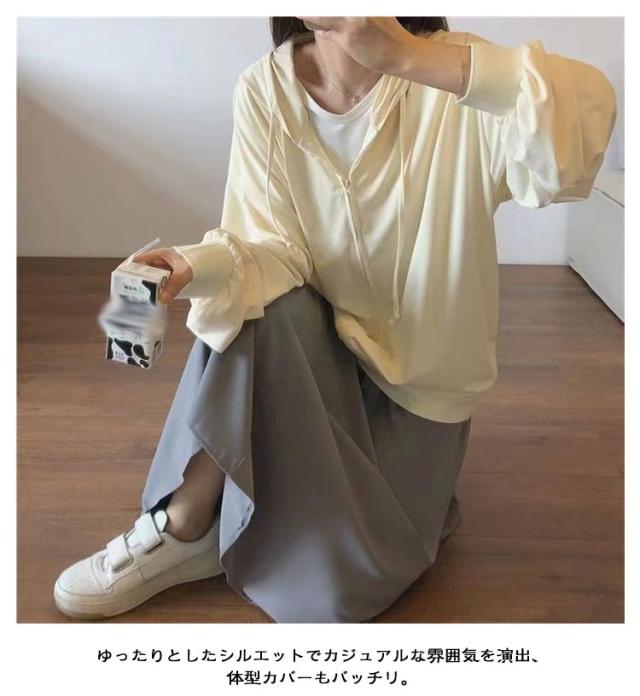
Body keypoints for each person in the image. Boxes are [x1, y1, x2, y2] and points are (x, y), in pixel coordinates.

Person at [53, 17, 617, 623]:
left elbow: (582, 121)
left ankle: (263, 510)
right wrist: (194, 266)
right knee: (254, 302)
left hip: (423, 392)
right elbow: (272, 249)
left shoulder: (453, 73)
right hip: (316, 360)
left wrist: (405, 57)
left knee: (331, 598)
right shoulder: (264, 89)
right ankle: (185, 523)